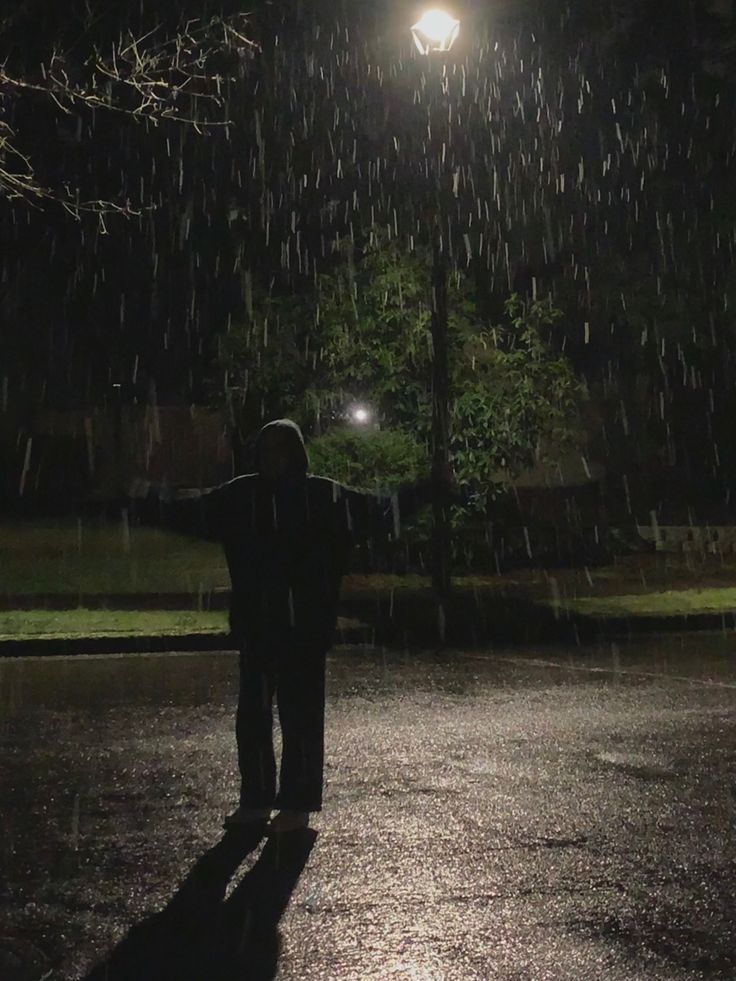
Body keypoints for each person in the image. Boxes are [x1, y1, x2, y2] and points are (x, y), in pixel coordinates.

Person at [131, 418, 435, 835]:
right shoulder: (246, 496)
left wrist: (428, 489)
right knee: (255, 718)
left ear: (294, 454)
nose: (271, 458)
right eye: (266, 449)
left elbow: (381, 509)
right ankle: (257, 801)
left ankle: (295, 804)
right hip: (262, 627)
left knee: (301, 719)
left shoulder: (318, 497)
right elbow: (188, 509)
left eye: (279, 449)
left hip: (303, 630)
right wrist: (145, 498)